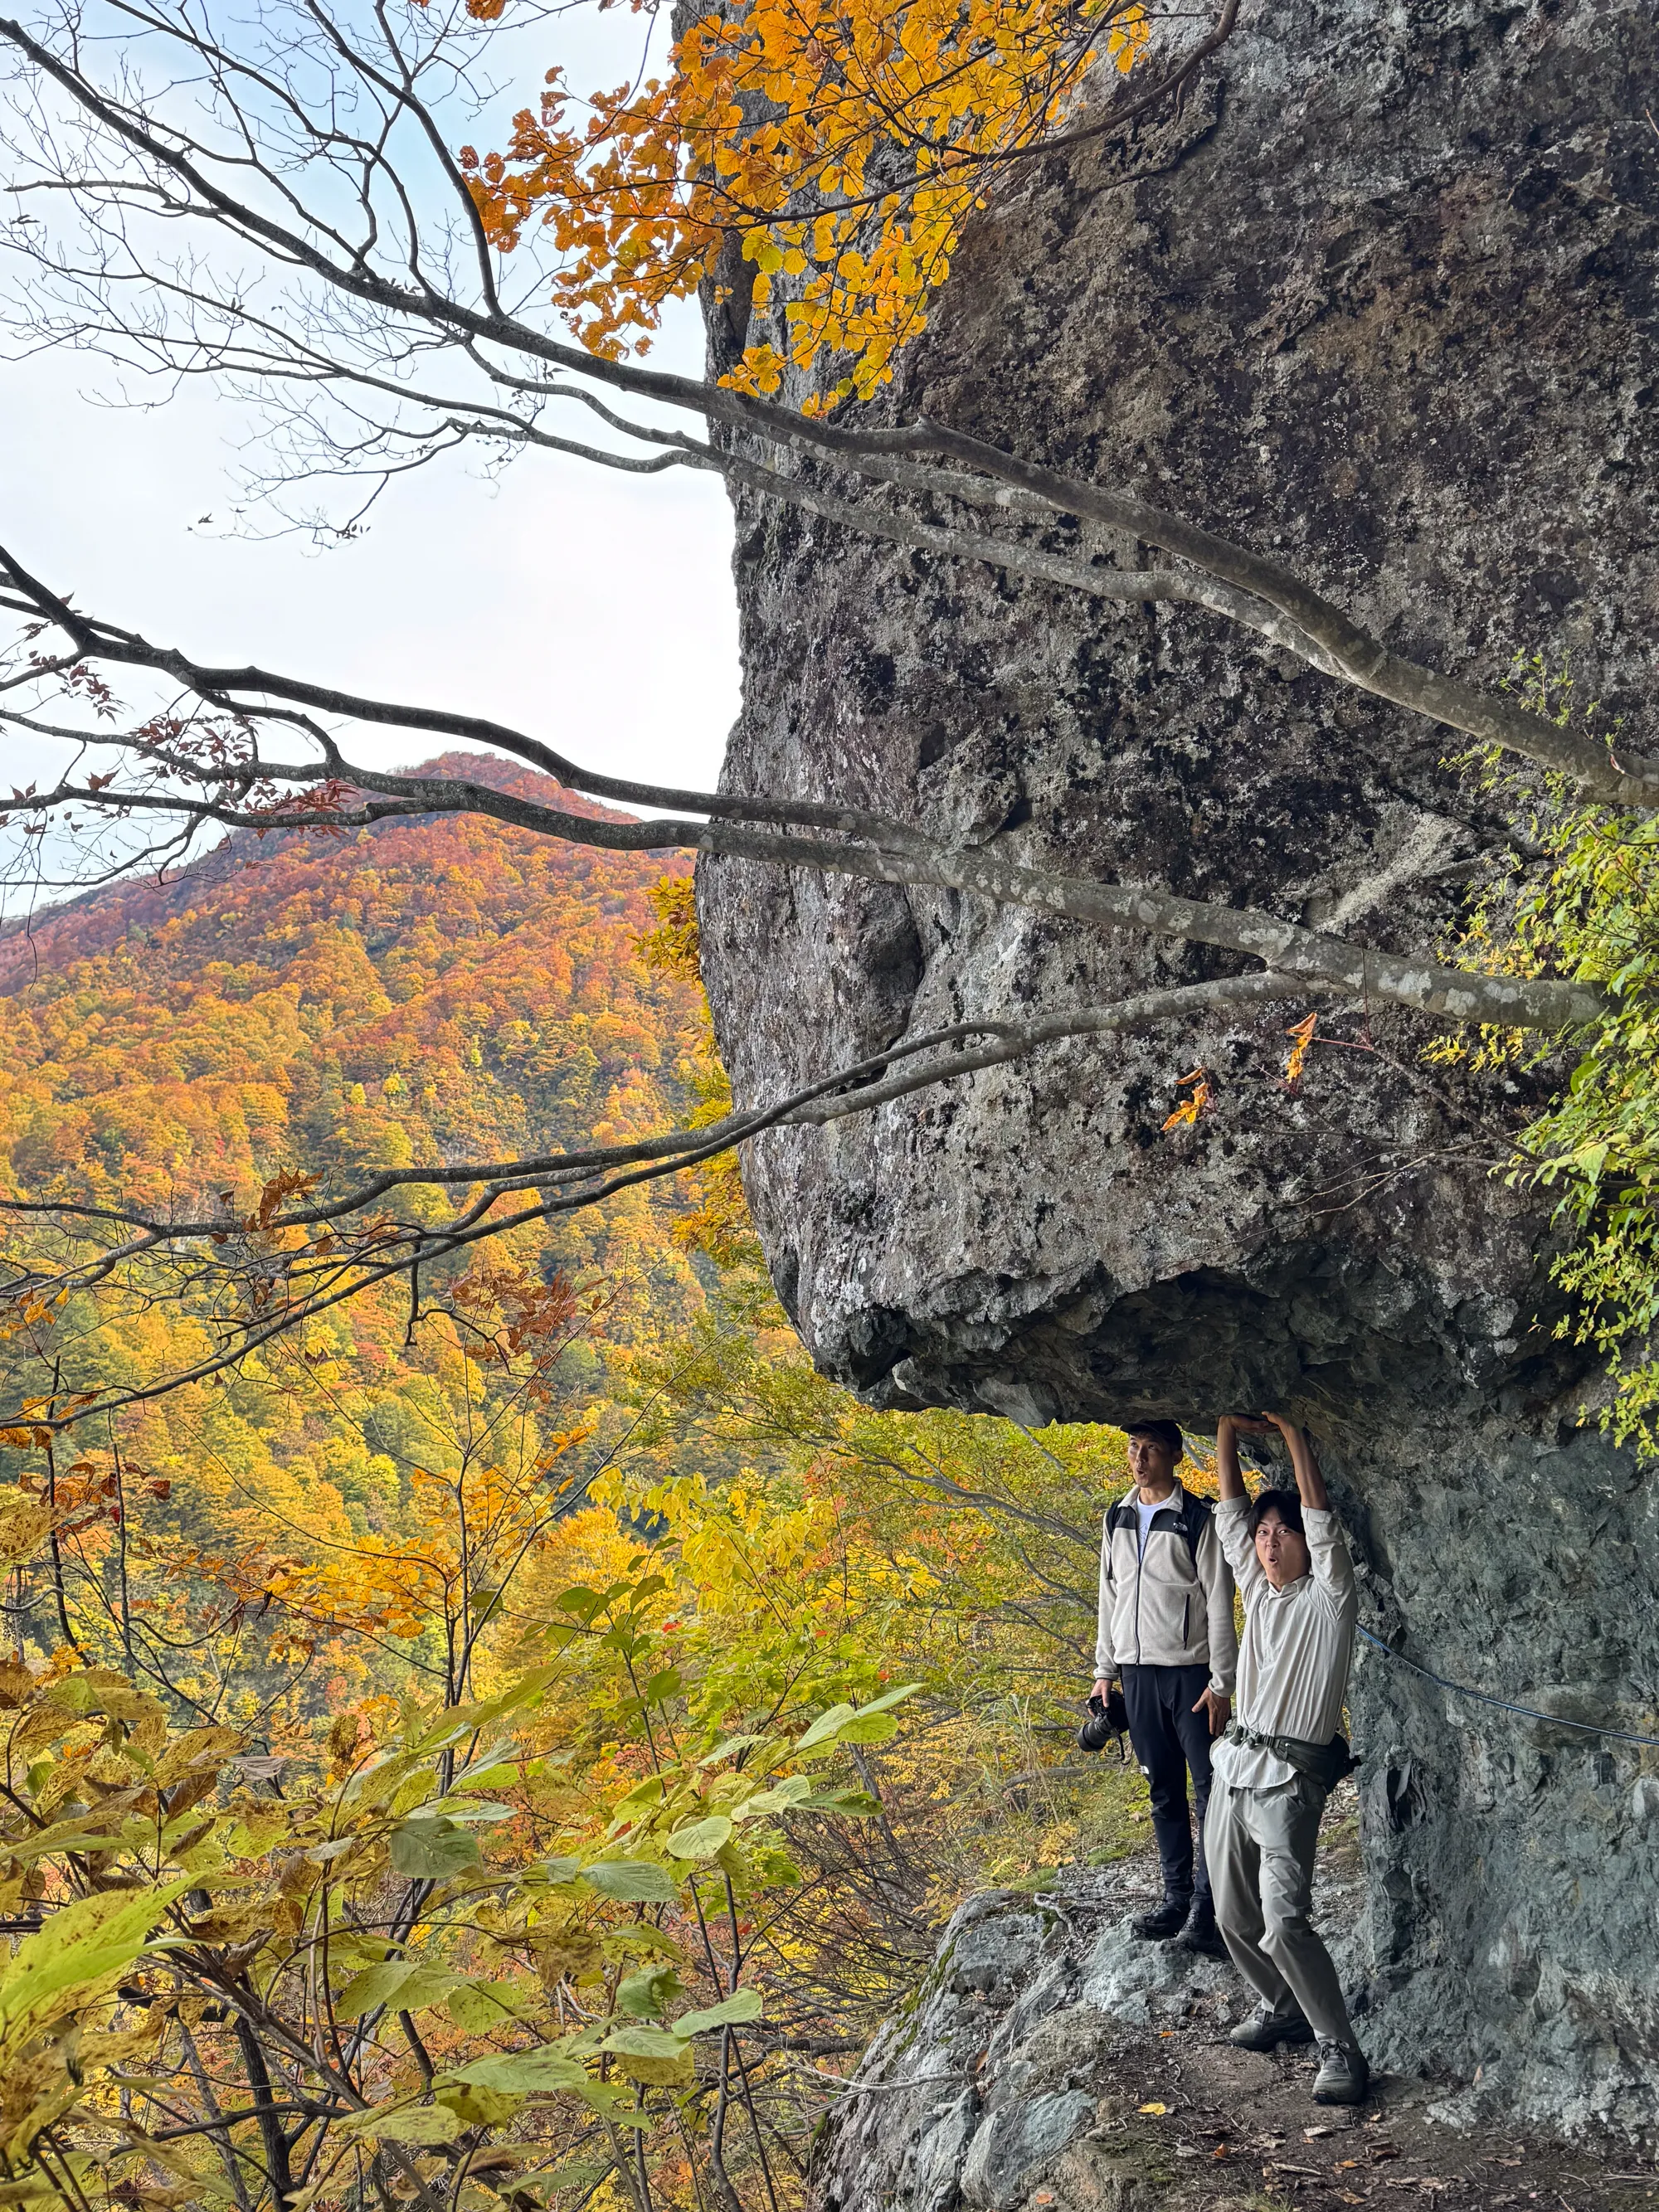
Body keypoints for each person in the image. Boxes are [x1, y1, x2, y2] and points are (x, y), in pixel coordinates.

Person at [1207, 1412, 1368, 2107]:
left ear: (1305, 1541)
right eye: (1265, 1536)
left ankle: (1340, 2047)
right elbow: (1230, 1509)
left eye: (1284, 1533)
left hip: (1290, 1781)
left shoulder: (1331, 1598)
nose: (1270, 1545)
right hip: (1232, 1769)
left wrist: (1293, 1433)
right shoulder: (1257, 1592)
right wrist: (1223, 1433)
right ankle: (1283, 2005)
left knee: (1283, 1916)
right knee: (1231, 1916)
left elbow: (1322, 1515)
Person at [1093, 1417, 1237, 1958]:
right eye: (1133, 1447)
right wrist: (1104, 1670)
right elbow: (1109, 1596)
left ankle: (1211, 1908)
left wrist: (1222, 1682)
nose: (1140, 1458)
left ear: (1175, 1455)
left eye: (1151, 1448)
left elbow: (1219, 1602)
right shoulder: (1118, 1515)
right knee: (1163, 1792)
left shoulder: (1197, 1517)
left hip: (1191, 1675)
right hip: (1136, 1675)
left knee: (1210, 1791)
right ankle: (1177, 1898)